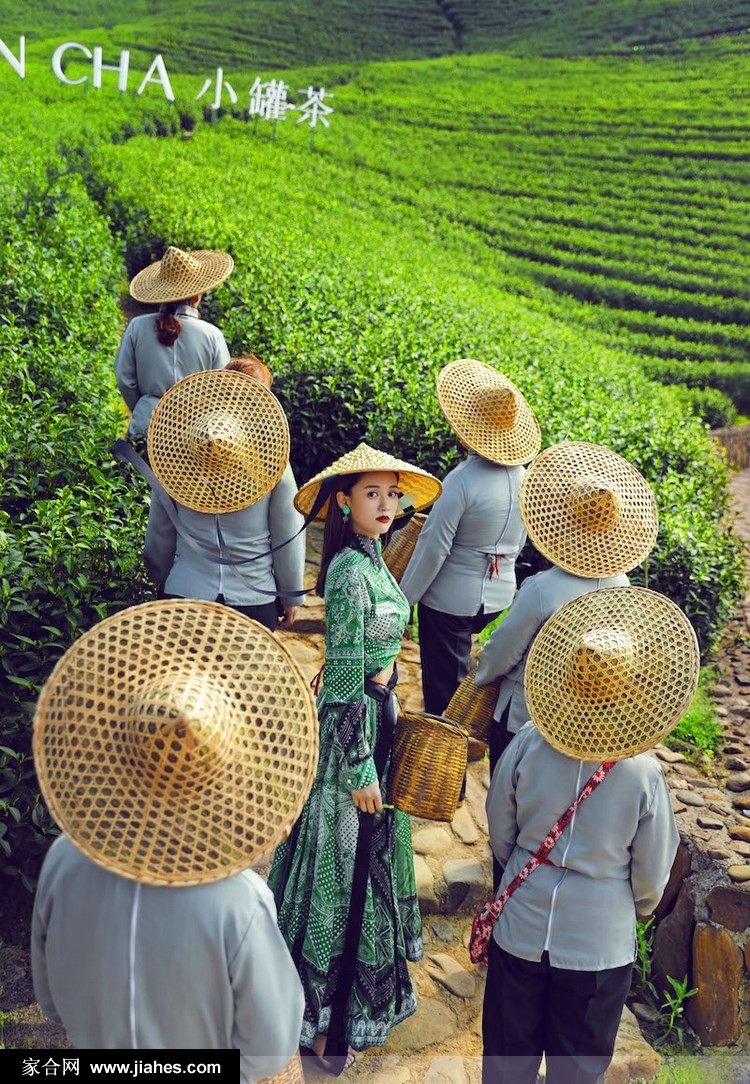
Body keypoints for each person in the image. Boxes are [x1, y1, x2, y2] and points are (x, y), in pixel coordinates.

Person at [31, 599, 320, 1079]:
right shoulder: (239, 904)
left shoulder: (63, 860)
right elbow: (270, 1045)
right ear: (229, 769)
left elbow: (51, 998)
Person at [267, 443, 442, 1074]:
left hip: (379, 718)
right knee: (341, 870)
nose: (387, 504)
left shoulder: (373, 557)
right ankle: (320, 1023)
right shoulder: (345, 572)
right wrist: (360, 768)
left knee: (361, 867)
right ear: (344, 500)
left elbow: (374, 654)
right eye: (372, 493)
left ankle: (331, 1014)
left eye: (393, 494)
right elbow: (340, 680)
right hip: (353, 737)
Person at [481, 585, 697, 1084]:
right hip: (598, 941)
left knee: (506, 1066)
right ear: (636, 686)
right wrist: (635, 908)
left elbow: (500, 826)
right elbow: (651, 875)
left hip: (521, 925)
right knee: (576, 1072)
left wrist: (522, 866)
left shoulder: (531, 742)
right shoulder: (642, 774)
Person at [475, 441, 659, 777]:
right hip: (583, 723)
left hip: (525, 719)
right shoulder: (622, 586)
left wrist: (482, 675)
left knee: (507, 802)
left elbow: (503, 652)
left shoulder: (543, 589)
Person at [399, 358, 541, 718]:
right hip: (497, 596)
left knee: (443, 694)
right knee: (459, 670)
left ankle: (444, 762)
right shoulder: (525, 478)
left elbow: (433, 548)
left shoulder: (462, 480)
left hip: (450, 601)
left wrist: (403, 602)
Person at [143, 366, 305, 631]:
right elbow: (288, 535)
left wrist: (159, 579)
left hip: (184, 593)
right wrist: (291, 595)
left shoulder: (172, 459)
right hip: (254, 599)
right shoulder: (272, 462)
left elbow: (159, 533)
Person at [115, 245, 233, 443]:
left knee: (136, 474)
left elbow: (124, 378)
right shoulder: (212, 335)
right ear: (197, 296)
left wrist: (145, 406)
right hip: (195, 435)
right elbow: (223, 390)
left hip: (146, 426)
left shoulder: (137, 327)